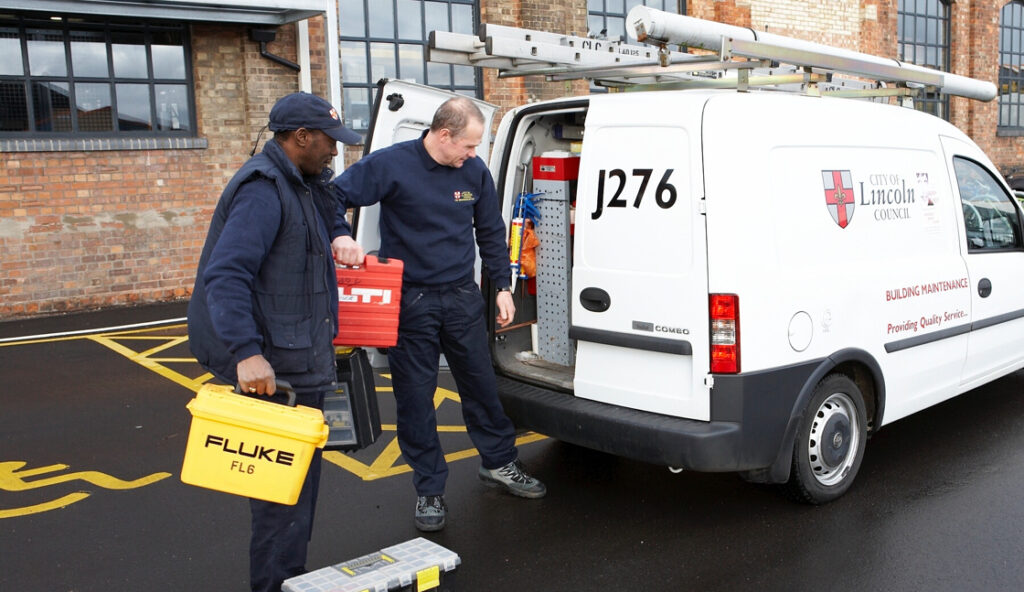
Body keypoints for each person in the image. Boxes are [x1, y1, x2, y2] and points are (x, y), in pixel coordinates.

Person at [331, 96, 546, 533]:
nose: (473, 154)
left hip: (462, 298)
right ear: (443, 135)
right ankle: (429, 488)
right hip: (411, 302)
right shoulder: (391, 165)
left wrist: (502, 286)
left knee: (481, 385)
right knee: (415, 398)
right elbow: (333, 196)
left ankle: (500, 464)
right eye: (468, 145)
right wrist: (339, 234)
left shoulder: (473, 173)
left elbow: (489, 230)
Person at [187, 91, 362, 592]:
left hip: (300, 363)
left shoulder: (306, 183)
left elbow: (327, 208)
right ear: (301, 137)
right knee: (279, 503)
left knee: (296, 497)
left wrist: (339, 233)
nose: (335, 151)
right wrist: (246, 353)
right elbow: (225, 275)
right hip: (274, 375)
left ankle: (288, 581)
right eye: (329, 141)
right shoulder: (263, 190)